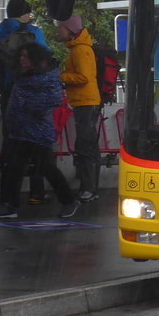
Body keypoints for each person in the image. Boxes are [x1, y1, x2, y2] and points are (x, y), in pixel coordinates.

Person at [0, 42, 79, 220]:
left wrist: (26, 105)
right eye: (21, 56)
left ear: (35, 59)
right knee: (15, 168)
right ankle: (11, 205)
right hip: (20, 130)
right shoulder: (25, 77)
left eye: (26, 56)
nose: (22, 60)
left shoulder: (45, 79)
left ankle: (68, 201)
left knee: (45, 168)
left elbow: (52, 100)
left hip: (37, 132)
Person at [0, 0, 49, 203]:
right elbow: (45, 63)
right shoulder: (35, 33)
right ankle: (37, 192)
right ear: (25, 13)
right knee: (38, 143)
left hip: (10, 95)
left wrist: (0, 87)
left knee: (11, 146)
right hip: (33, 96)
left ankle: (8, 198)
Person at [55, 14, 100, 203]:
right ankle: (89, 188)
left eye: (61, 28)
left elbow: (83, 77)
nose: (59, 31)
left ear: (70, 30)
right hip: (85, 101)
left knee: (85, 146)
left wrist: (62, 77)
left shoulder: (80, 50)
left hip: (86, 102)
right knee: (87, 145)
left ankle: (89, 189)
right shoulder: (78, 48)